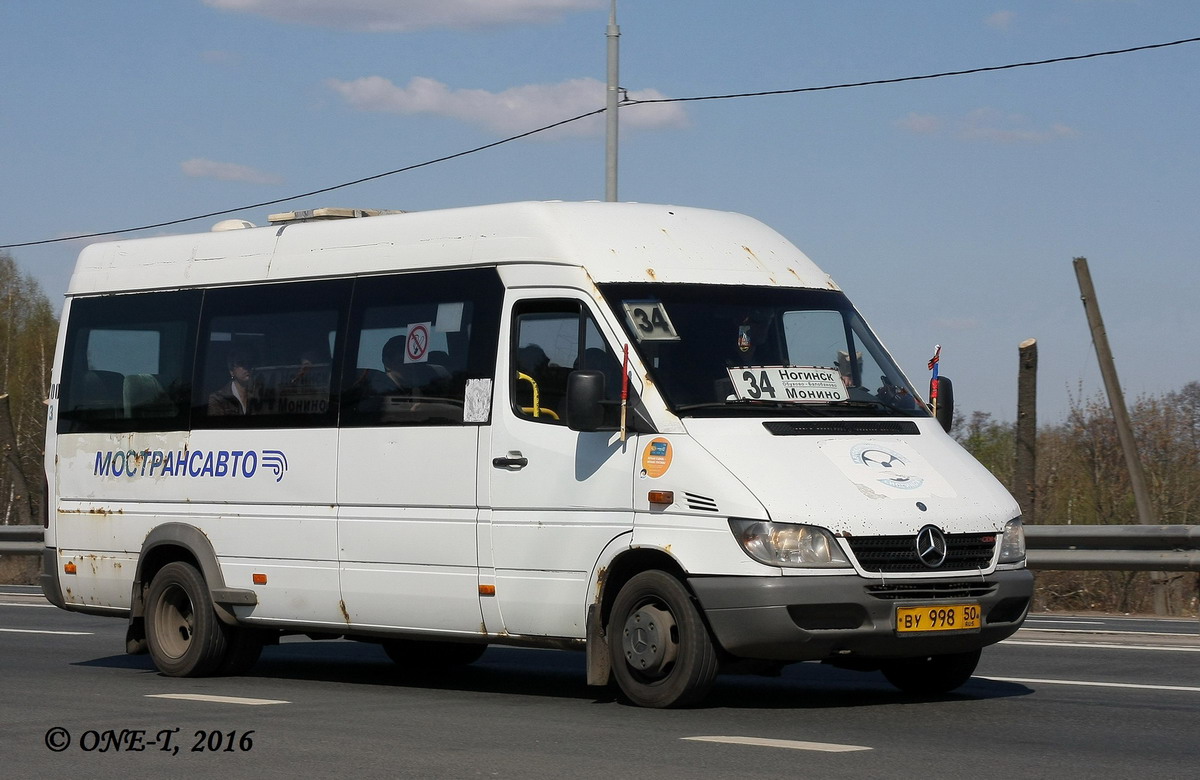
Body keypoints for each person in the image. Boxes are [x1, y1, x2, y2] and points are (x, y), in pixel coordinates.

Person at [208, 349, 259, 415]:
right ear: (231, 371)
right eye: (241, 363)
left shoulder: (260, 394)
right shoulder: (218, 398)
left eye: (249, 363)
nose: (246, 367)